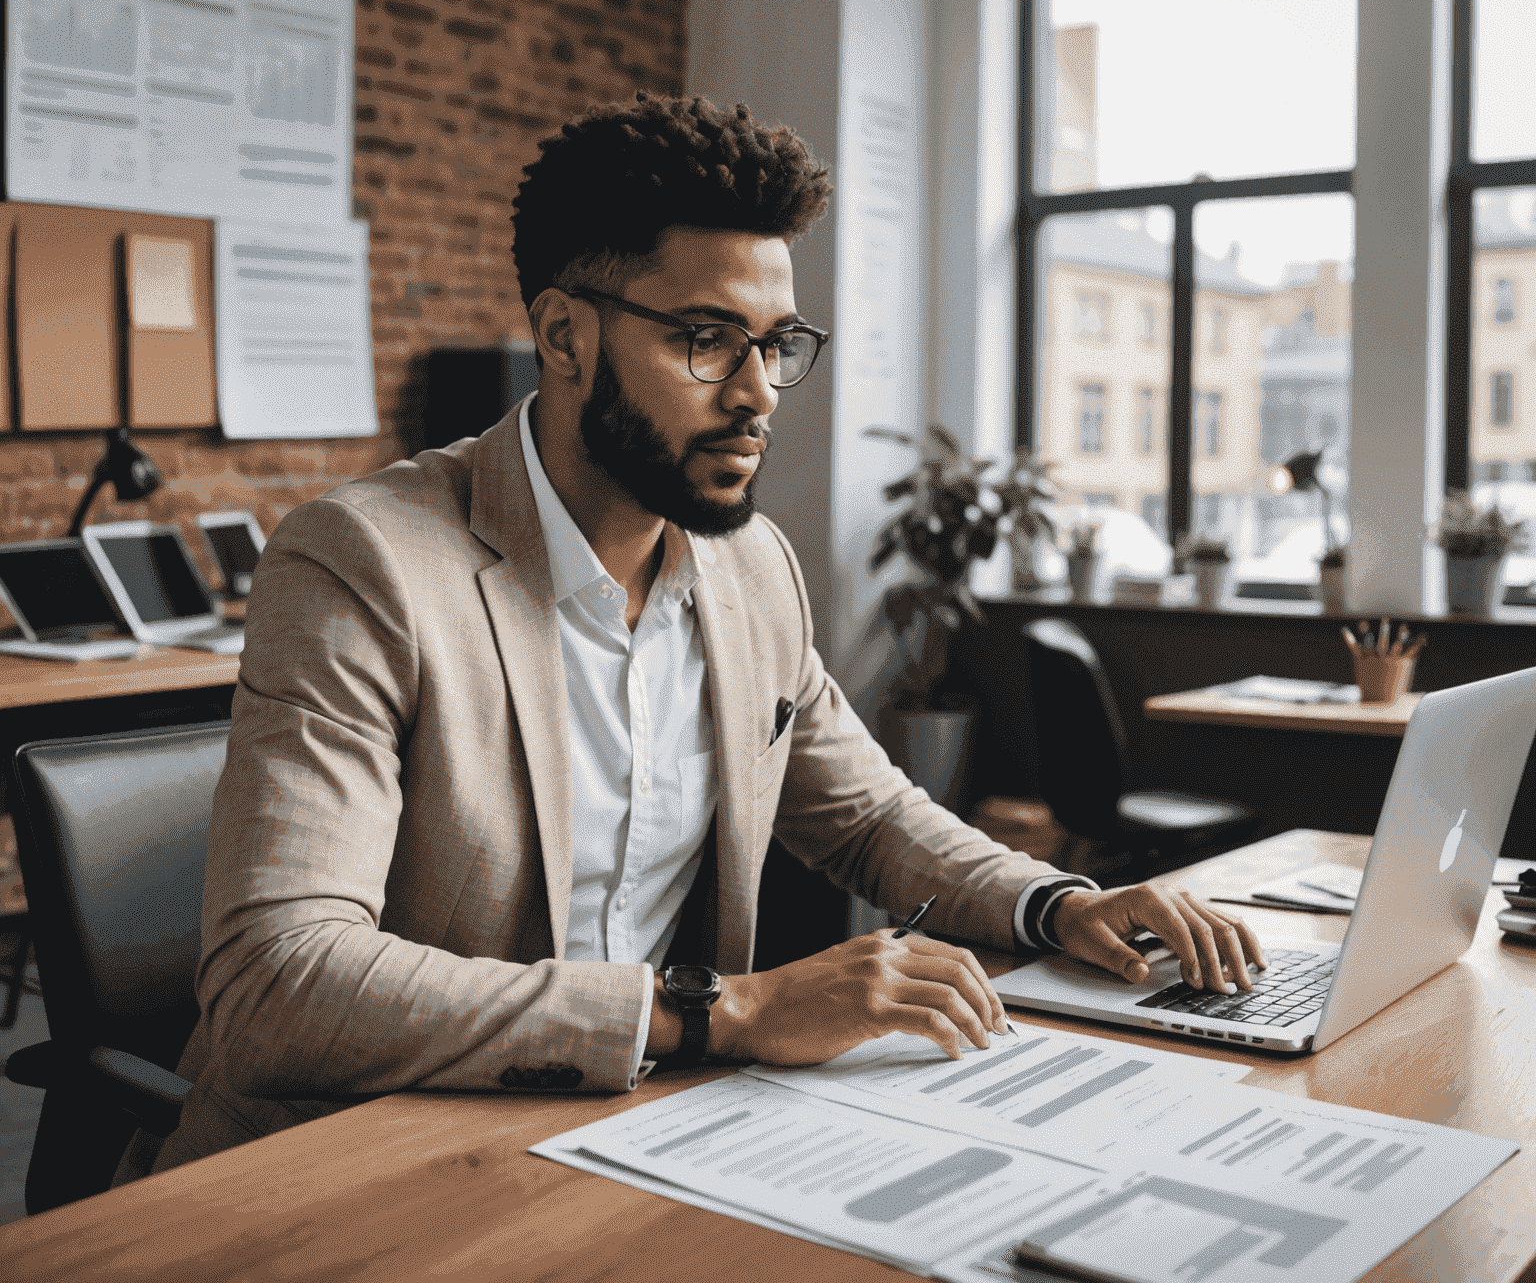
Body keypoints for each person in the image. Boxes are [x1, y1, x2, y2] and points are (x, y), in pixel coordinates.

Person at [133, 93, 1261, 1179]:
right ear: (565, 337)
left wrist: (1057, 904)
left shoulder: (748, 566)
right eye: (709, 340)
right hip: (354, 1163)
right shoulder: (363, 565)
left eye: (778, 344)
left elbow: (868, 817)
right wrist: (727, 1008)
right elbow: (279, 984)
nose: (760, 393)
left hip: (638, 1139)